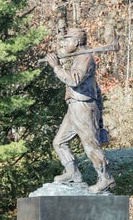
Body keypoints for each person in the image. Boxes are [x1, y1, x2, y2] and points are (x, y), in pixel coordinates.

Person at [45, 28, 115, 194]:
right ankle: (73, 173)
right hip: (74, 106)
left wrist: (56, 67)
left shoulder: (85, 58)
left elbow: (74, 80)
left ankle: (105, 178)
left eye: (67, 40)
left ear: (76, 42)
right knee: (59, 142)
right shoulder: (78, 57)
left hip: (83, 107)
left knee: (91, 145)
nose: (65, 44)